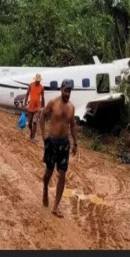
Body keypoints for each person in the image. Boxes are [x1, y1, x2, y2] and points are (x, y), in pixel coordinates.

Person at [39, 79, 78, 218]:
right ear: (61, 89)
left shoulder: (71, 107)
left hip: (64, 143)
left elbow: (72, 125)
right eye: (66, 90)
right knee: (48, 172)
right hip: (52, 142)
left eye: (69, 91)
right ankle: (44, 188)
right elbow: (42, 115)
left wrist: (75, 143)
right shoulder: (53, 103)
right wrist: (44, 135)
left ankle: (55, 206)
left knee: (62, 174)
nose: (67, 93)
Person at [23, 73, 45, 142]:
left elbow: (43, 98)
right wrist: (25, 104)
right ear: (35, 80)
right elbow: (27, 94)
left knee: (34, 122)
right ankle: (32, 133)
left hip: (37, 108)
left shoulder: (41, 87)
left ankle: (32, 137)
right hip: (30, 107)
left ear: (40, 81)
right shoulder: (31, 85)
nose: (37, 82)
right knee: (29, 123)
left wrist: (43, 107)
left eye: (38, 81)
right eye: (36, 80)